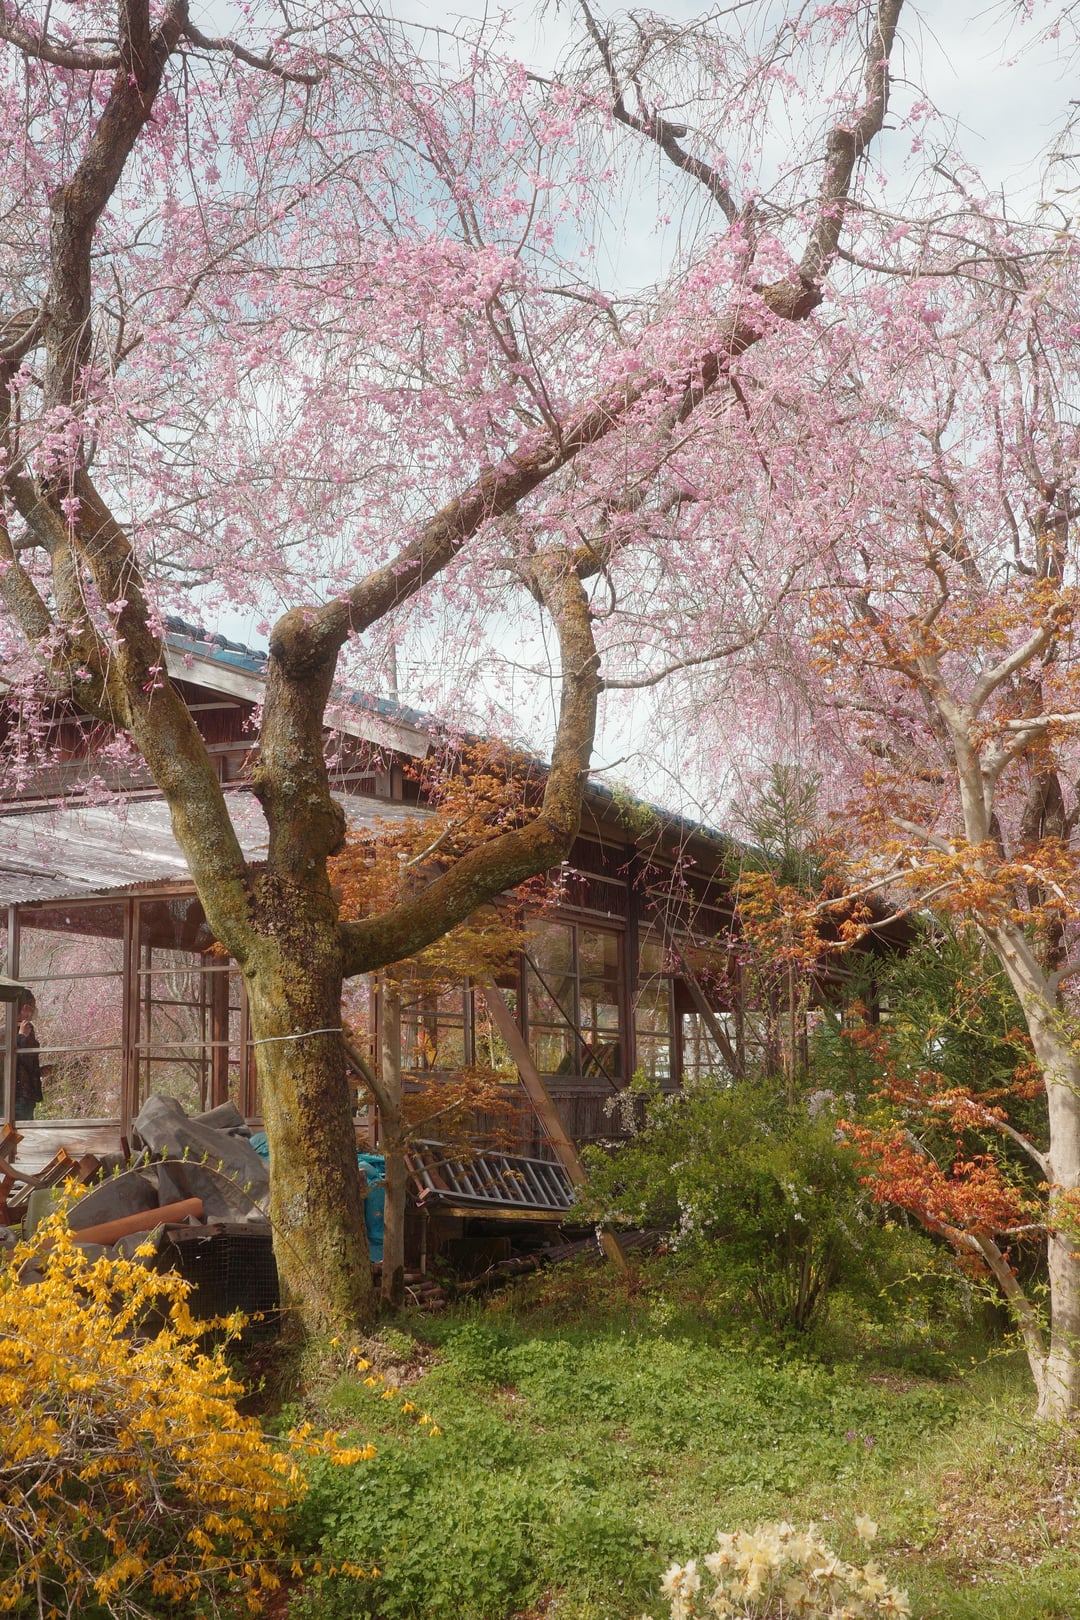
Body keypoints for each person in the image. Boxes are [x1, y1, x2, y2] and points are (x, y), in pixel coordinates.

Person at [14, 994, 42, 1122]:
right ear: (25, 1007)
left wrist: (39, 1072)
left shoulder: (29, 1029)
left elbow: (26, 1062)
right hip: (17, 1094)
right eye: (32, 1006)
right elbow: (9, 1059)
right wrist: (21, 1036)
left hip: (27, 1094)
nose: (34, 1011)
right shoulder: (7, 1030)